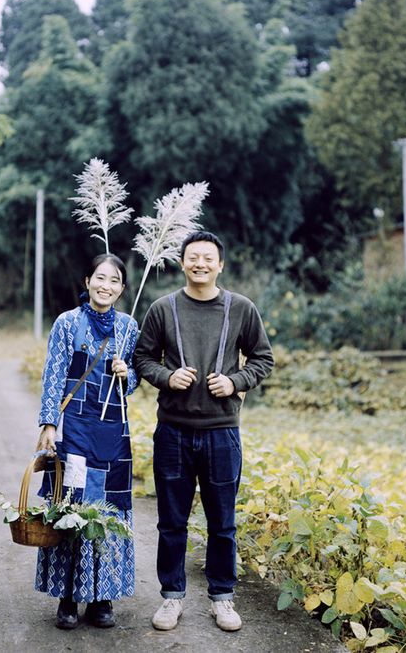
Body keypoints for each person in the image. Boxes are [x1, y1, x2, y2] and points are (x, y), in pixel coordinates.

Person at [134, 231, 274, 633]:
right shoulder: (163, 309)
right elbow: (143, 358)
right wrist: (166, 376)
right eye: (193, 257)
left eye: (208, 258)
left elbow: (263, 359)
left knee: (223, 522)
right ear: (182, 263)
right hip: (173, 432)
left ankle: (222, 598)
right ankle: (171, 597)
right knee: (171, 521)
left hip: (221, 433)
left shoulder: (241, 309)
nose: (200, 263)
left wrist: (236, 382)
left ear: (220, 265)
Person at [34, 253, 139, 630]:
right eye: (99, 278)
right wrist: (48, 424)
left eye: (113, 280)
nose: (105, 285)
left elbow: (138, 380)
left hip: (113, 432)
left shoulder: (129, 328)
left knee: (108, 511)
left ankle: (102, 598)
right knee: (71, 505)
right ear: (87, 281)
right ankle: (67, 596)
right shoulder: (67, 323)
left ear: (122, 289)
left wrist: (127, 373)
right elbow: (53, 374)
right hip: (73, 429)